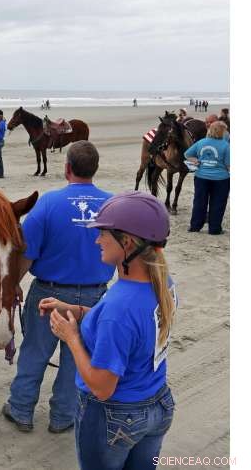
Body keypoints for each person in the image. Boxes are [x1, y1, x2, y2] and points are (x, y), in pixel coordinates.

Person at [46, 191, 176, 470]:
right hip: (157, 405)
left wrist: (71, 338)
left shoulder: (118, 308)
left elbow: (102, 387)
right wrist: (76, 310)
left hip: (115, 416)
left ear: (126, 242)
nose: (97, 240)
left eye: (103, 233)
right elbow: (130, 328)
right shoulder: (163, 284)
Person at [3, 140, 114, 434]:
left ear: (67, 169)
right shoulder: (112, 204)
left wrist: (13, 284)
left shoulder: (48, 204)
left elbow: (27, 255)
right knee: (76, 358)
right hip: (94, 295)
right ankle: (63, 415)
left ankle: (21, 409)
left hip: (49, 294)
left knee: (34, 353)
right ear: (95, 169)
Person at [185, 121, 230, 235]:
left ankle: (195, 227)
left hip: (201, 177)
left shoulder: (201, 142)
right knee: (218, 203)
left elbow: (187, 154)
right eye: (225, 130)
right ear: (221, 131)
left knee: (199, 202)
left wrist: (196, 161)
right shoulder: (226, 145)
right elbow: (228, 165)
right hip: (221, 179)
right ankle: (214, 229)